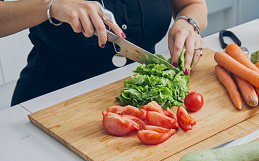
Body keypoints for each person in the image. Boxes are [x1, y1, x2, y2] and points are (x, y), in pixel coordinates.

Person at [0, 0, 207, 106]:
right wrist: (51, 6)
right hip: (50, 101)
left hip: (142, 100)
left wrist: (188, 23)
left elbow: (193, 4)